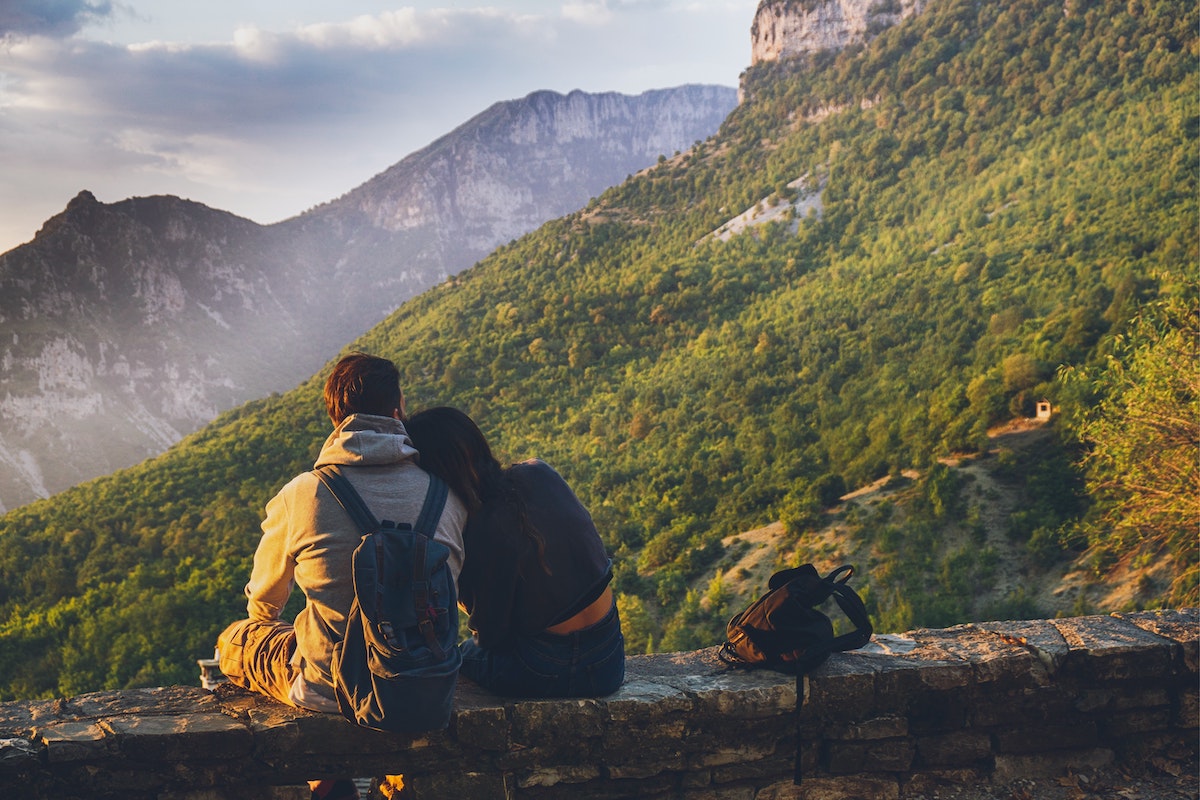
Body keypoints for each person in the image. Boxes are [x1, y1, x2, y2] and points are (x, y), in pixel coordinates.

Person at [216, 354, 467, 800]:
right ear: (398, 411)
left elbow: (265, 601)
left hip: (326, 688)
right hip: (423, 682)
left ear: (335, 419)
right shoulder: (445, 494)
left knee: (235, 639)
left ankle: (327, 785)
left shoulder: (303, 493)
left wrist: (272, 618)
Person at [404, 406, 623, 698]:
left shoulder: (481, 530)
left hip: (550, 667)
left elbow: (490, 638)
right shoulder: (538, 471)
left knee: (458, 656)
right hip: (610, 656)